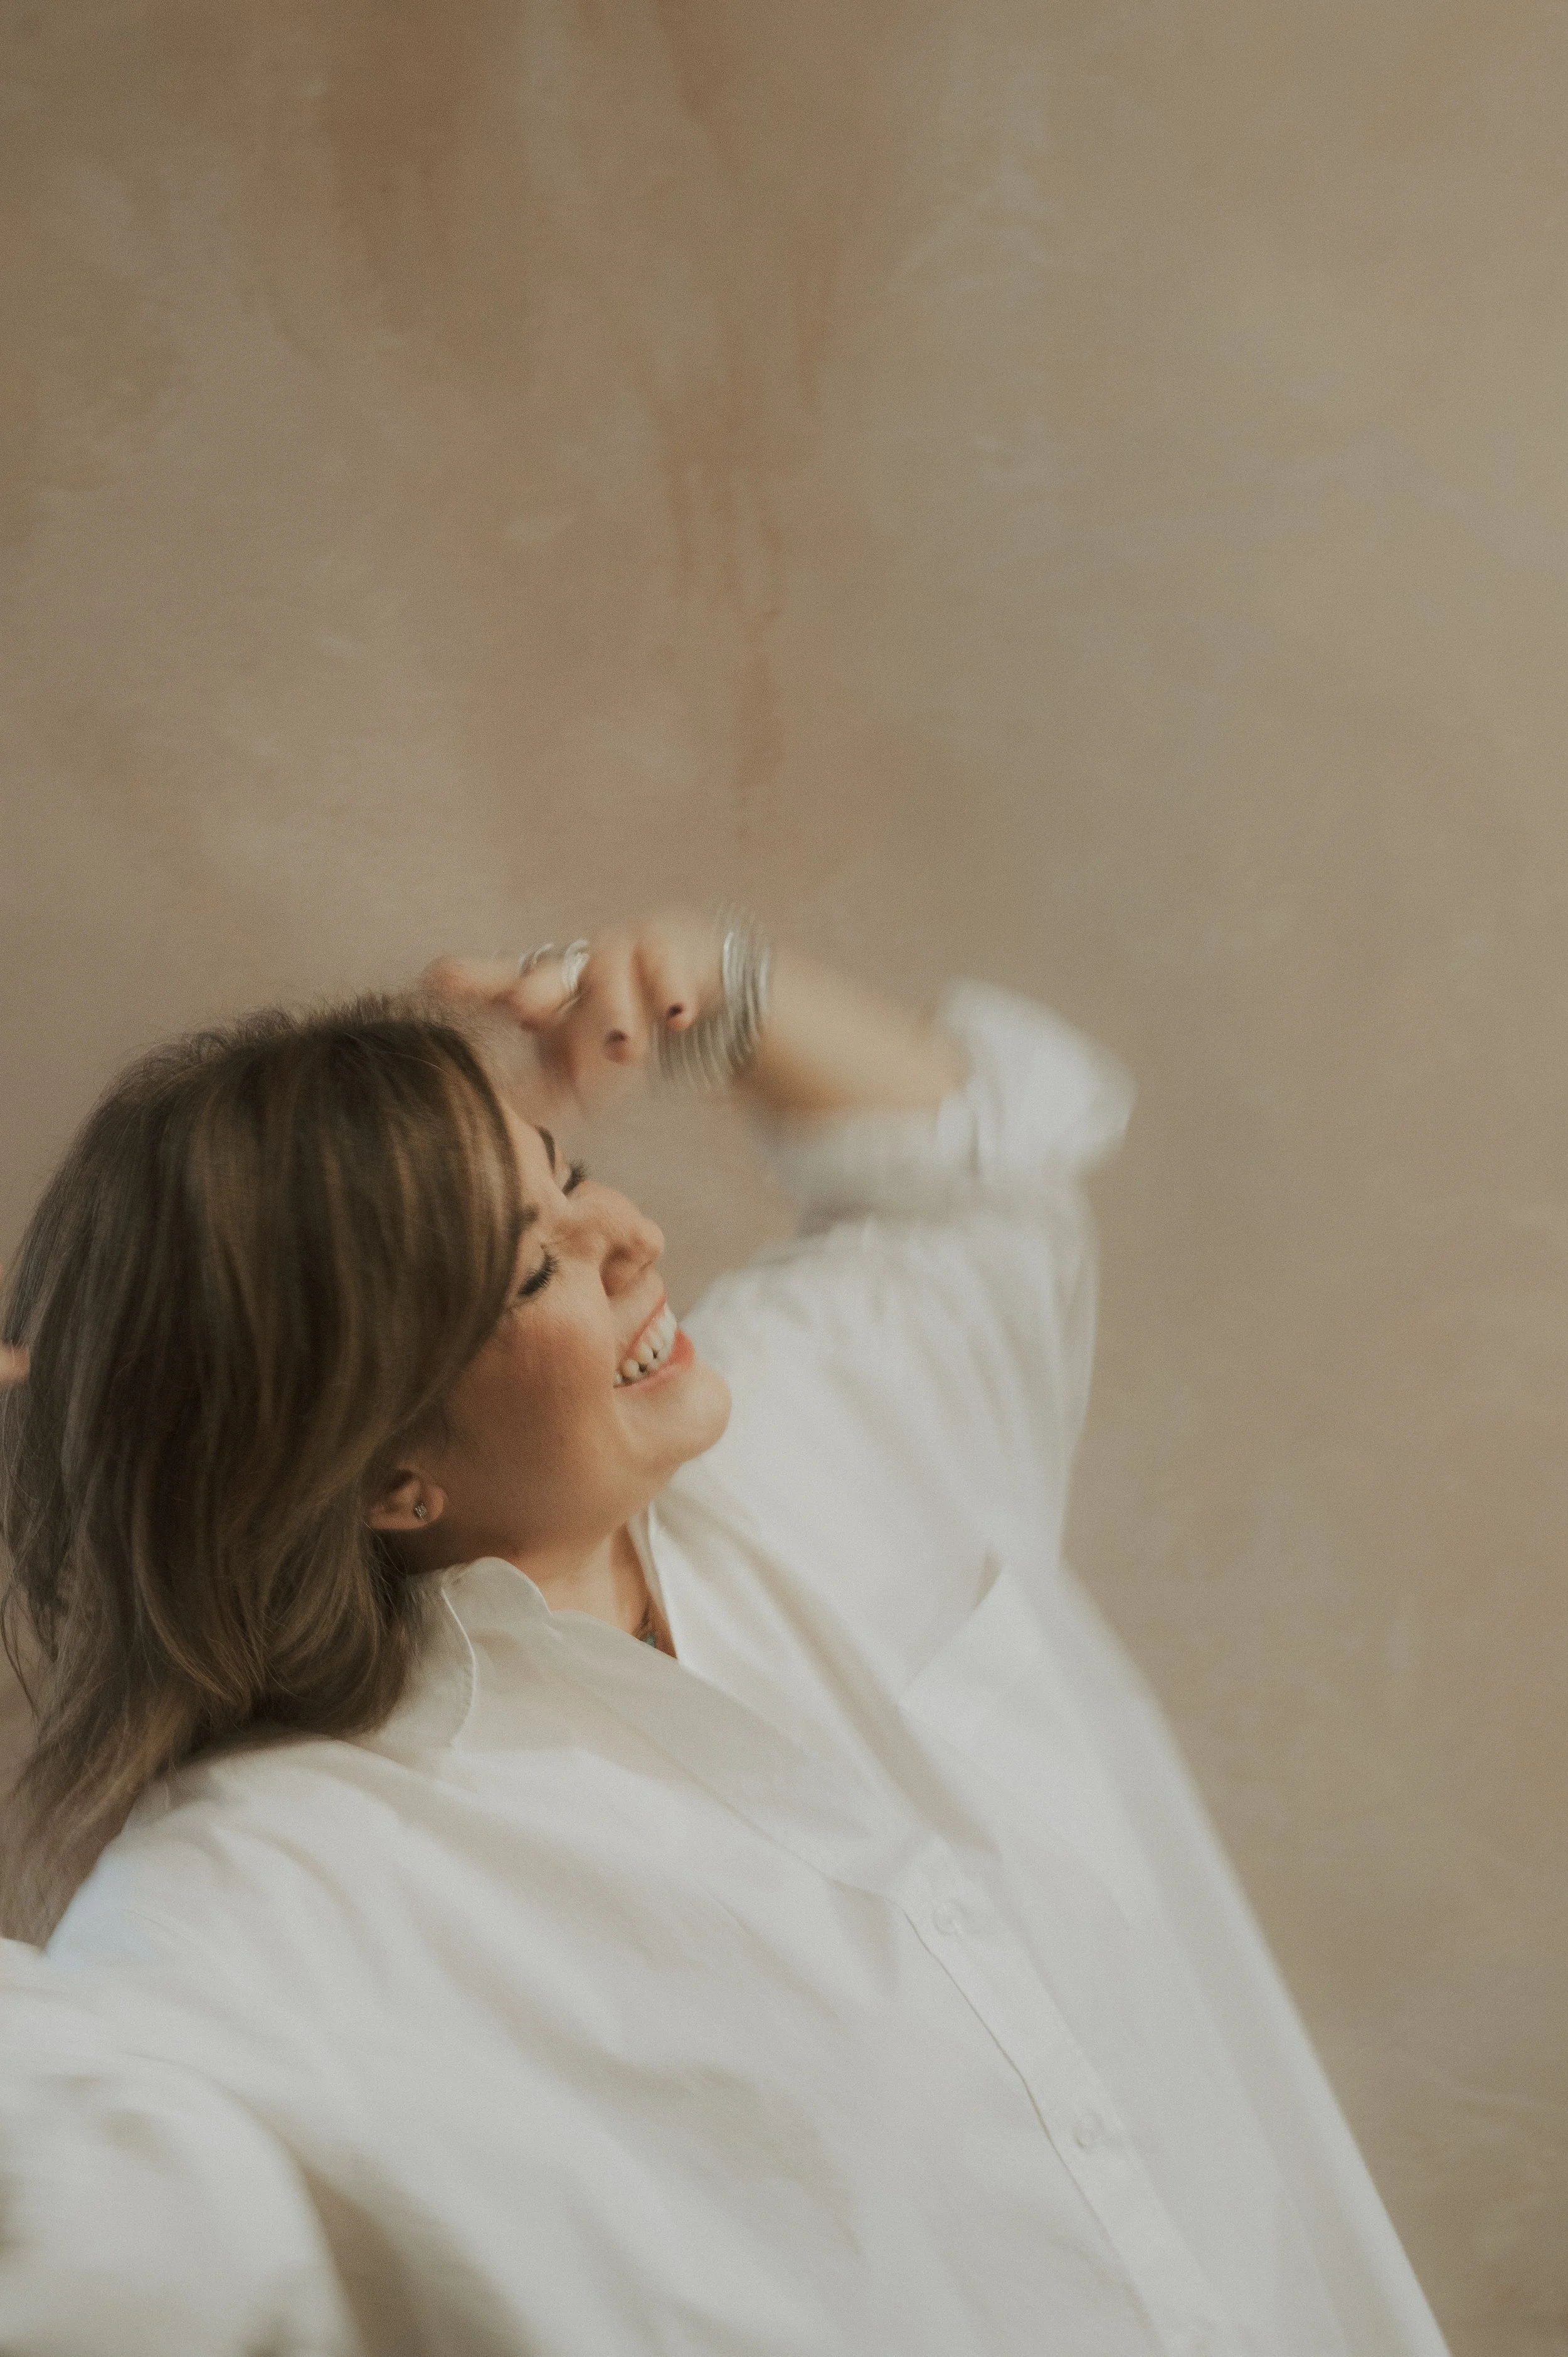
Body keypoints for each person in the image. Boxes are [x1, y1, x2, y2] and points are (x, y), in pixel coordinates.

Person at [0, 910, 1447, 2356]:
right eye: (531, 1269)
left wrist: (726, 992)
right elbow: (98, 2228)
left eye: (570, 1175)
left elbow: (975, 1191)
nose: (631, 1239)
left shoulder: (815, 1432)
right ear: (384, 1475)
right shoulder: (269, 1891)